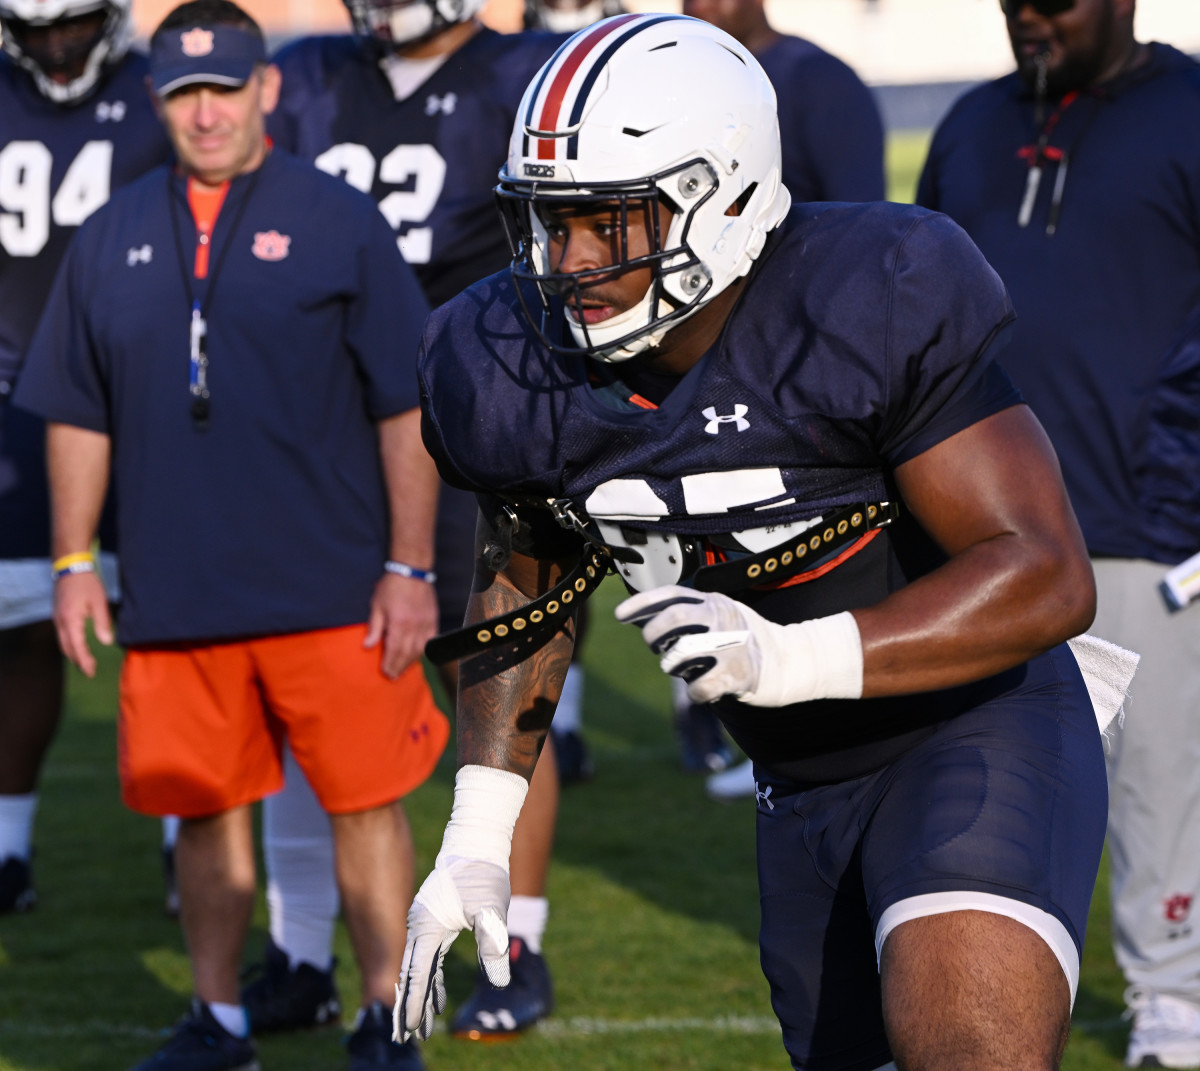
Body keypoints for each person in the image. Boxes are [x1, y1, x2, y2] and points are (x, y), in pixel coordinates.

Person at [393, 14, 1115, 1071]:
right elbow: (530, 584)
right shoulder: (508, 361)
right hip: (798, 782)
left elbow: (1045, 574)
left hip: (975, 726)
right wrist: (478, 825)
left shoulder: (867, 296)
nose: (572, 261)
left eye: (611, 221)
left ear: (721, 197)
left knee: (965, 1052)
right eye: (550, 222)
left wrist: (790, 656)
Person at [14, 2, 449, 1069]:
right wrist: (74, 561)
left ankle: (387, 1012)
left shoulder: (341, 221)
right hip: (174, 594)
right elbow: (77, 410)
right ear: (159, 101)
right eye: (183, 94)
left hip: (336, 584)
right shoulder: (111, 231)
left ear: (264, 90)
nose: (204, 114)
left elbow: (406, 406)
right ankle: (219, 1020)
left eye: (223, 89)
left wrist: (410, 565)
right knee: (204, 816)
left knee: (365, 807)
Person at [239, 0, 570, 1044]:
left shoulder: (524, 74)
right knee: (298, 672)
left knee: (494, 675)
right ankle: (301, 951)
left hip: (478, 422)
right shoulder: (309, 75)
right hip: (320, 430)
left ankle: (515, 944)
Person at [915, 1, 1200, 1066]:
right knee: (978, 780)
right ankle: (965, 992)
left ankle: (1172, 996)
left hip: (1144, 516)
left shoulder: (1190, 109)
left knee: (1155, 779)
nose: (1029, 16)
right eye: (1013, 0)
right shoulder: (970, 123)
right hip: (976, 529)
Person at [680, 0, 887, 799]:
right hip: (703, 367)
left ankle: (832, 736)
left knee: (815, 555)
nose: (698, 6)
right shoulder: (681, 80)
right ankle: (753, 732)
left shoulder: (819, 83)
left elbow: (865, 232)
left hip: (802, 365)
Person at [0, 0, 171, 915]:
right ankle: (8, 848)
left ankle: (190, 843)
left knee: (175, 628)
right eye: (36, 31)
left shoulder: (162, 91)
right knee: (21, 630)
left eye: (72, 25)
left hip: (146, 400)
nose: (56, 46)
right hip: (15, 403)